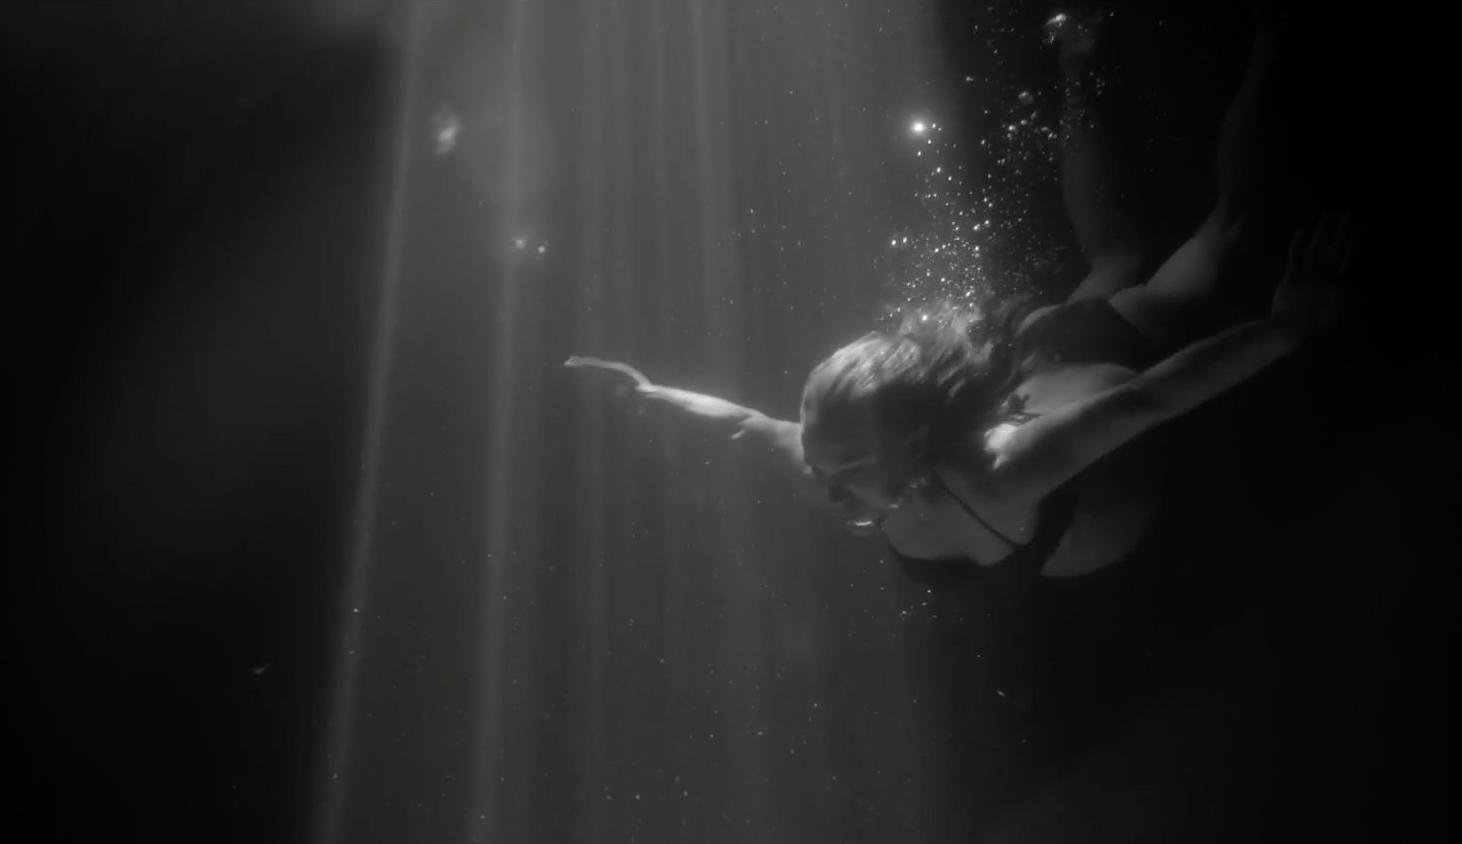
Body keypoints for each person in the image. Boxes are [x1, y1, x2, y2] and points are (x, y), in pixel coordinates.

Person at [564, 6, 1354, 589]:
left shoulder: (1003, 470)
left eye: (842, 468)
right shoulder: (853, 465)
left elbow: (1149, 398)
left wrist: (1284, 331)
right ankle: (1074, 72)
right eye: (822, 459)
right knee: (1114, 257)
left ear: (912, 445)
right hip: (1039, 353)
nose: (823, 485)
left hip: (1095, 359)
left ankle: (1273, 34)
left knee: (1224, 226)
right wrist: (646, 394)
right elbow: (745, 428)